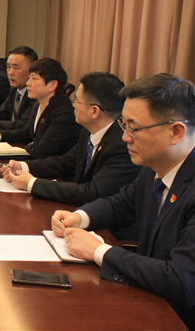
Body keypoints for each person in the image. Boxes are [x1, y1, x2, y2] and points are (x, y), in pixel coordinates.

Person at [51, 73, 195, 329]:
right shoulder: (155, 167)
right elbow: (121, 204)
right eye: (123, 125)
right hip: (147, 302)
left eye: (134, 128)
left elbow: (181, 280)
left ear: (176, 132)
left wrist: (99, 251)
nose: (125, 137)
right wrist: (79, 217)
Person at [0, 72, 141, 207]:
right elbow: (66, 163)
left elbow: (92, 192)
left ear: (94, 111)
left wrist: (31, 183)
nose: (73, 104)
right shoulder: (88, 131)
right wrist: (23, 166)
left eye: (76, 100)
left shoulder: (122, 144)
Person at [0, 58, 80, 159]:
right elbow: (26, 133)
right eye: (29, 78)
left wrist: (15, 150)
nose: (28, 83)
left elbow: (41, 151)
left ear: (52, 85)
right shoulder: (38, 104)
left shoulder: (63, 113)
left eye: (34, 78)